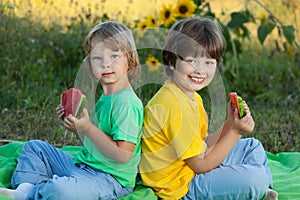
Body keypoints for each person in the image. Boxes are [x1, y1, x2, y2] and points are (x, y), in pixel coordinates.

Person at [0, 21, 143, 199]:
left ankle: (35, 192)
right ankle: (25, 189)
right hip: (83, 165)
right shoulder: (107, 97)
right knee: (35, 148)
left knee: (61, 190)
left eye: (114, 56)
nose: (105, 64)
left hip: (110, 179)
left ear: (129, 59)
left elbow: (122, 155)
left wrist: (87, 128)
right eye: (97, 58)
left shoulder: (126, 103)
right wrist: (76, 126)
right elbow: (97, 143)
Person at [139, 17, 278, 200]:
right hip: (179, 186)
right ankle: (252, 188)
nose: (200, 70)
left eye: (209, 62)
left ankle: (256, 190)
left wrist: (230, 124)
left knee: (252, 147)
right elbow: (200, 165)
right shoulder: (172, 105)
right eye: (191, 60)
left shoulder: (191, 96)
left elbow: (202, 144)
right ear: (172, 62)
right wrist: (235, 132)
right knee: (254, 178)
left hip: (189, 167)